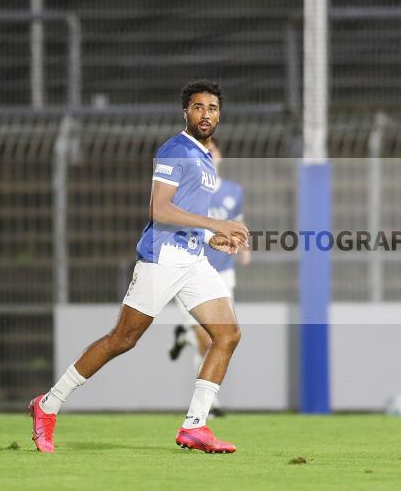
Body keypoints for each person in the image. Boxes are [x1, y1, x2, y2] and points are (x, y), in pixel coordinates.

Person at [29, 80, 250, 454]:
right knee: (123, 339)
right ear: (186, 112)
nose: (206, 114)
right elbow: (159, 210)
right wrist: (216, 225)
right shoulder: (175, 149)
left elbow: (187, 212)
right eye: (198, 107)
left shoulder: (204, 157)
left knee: (227, 335)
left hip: (192, 259)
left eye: (212, 108)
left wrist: (209, 238)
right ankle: (47, 404)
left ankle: (195, 426)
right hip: (162, 258)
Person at [168, 137, 250, 419]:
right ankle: (205, 407)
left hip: (224, 272)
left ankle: (207, 405)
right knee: (208, 339)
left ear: (220, 156)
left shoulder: (234, 191)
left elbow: (237, 221)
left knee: (219, 337)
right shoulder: (191, 189)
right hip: (193, 268)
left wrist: (243, 248)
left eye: (213, 150)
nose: (209, 155)